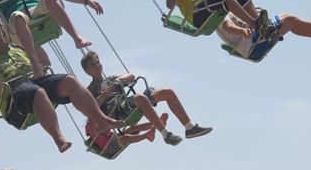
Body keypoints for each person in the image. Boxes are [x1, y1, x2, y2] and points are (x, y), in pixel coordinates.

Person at [0, 23, 123, 153]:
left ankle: (101, 120)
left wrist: (25, 37)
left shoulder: (16, 51)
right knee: (37, 92)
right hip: (15, 100)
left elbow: (45, 62)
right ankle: (58, 138)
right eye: (3, 34)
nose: (7, 37)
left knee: (69, 80)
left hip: (34, 84)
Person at [81, 51, 213, 147]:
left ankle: (189, 128)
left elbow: (131, 76)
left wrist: (116, 82)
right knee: (139, 98)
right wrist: (103, 96)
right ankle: (166, 134)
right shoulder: (90, 89)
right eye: (93, 65)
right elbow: (88, 110)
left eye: (98, 62)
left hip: (129, 104)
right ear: (87, 71)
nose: (97, 66)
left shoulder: (110, 79)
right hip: (118, 113)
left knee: (167, 92)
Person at [217, 12, 311, 59]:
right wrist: (242, 31)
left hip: (255, 38)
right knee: (290, 20)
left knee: (286, 17)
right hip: (253, 44)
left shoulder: (224, 9)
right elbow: (228, 26)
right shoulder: (220, 14)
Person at [85, 114, 164, 157]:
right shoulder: (89, 125)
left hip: (114, 137)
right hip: (108, 146)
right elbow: (93, 133)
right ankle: (147, 136)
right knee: (126, 137)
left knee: (134, 129)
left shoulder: (100, 119)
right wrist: (97, 122)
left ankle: (157, 123)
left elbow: (108, 130)